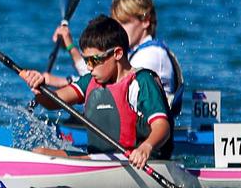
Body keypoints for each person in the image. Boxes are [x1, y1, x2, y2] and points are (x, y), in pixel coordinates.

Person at [20, 16, 173, 170]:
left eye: (93, 60)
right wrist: (39, 89)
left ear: (117, 53)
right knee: (39, 153)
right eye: (86, 61)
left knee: (45, 157)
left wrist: (146, 147)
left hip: (140, 161)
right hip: (101, 159)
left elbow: (162, 125)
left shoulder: (141, 82)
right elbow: (53, 102)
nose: (89, 67)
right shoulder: (90, 81)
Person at [52, 0, 186, 130]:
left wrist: (63, 80)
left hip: (148, 134)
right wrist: (69, 46)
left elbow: (112, 87)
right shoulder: (133, 52)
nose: (118, 29)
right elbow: (99, 72)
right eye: (116, 23)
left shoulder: (152, 55)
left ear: (146, 21)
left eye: (124, 22)